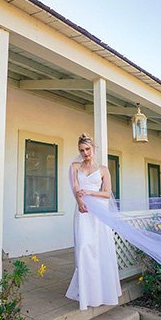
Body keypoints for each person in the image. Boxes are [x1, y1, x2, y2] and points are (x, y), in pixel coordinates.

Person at [65, 133, 122, 310]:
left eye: (88, 149)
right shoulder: (74, 166)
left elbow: (107, 193)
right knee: (83, 248)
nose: (85, 153)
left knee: (100, 249)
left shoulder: (103, 169)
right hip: (83, 212)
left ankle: (102, 291)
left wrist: (89, 193)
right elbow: (75, 188)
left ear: (94, 149)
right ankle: (86, 293)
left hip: (99, 212)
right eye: (82, 150)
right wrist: (80, 202)